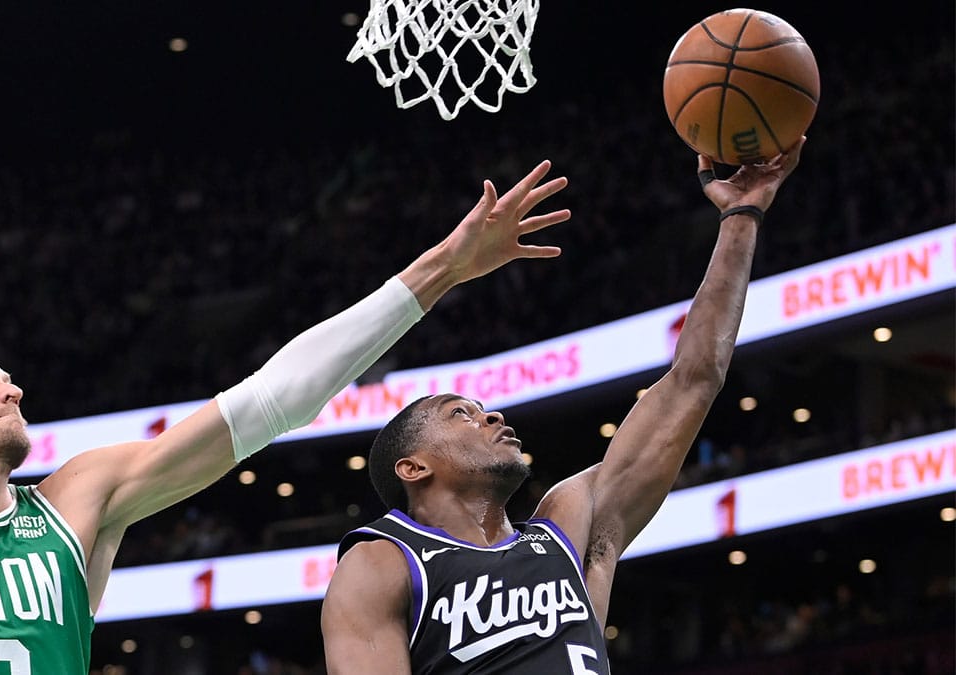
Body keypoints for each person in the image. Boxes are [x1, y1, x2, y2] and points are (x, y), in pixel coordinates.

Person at [0, 161, 572, 673]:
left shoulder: (77, 502)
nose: (13, 388)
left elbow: (269, 400)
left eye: (7, 376)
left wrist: (437, 273)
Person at [321, 140, 806, 674]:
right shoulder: (382, 563)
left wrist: (742, 214)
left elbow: (694, 379)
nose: (494, 416)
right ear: (414, 467)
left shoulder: (570, 525)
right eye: (461, 413)